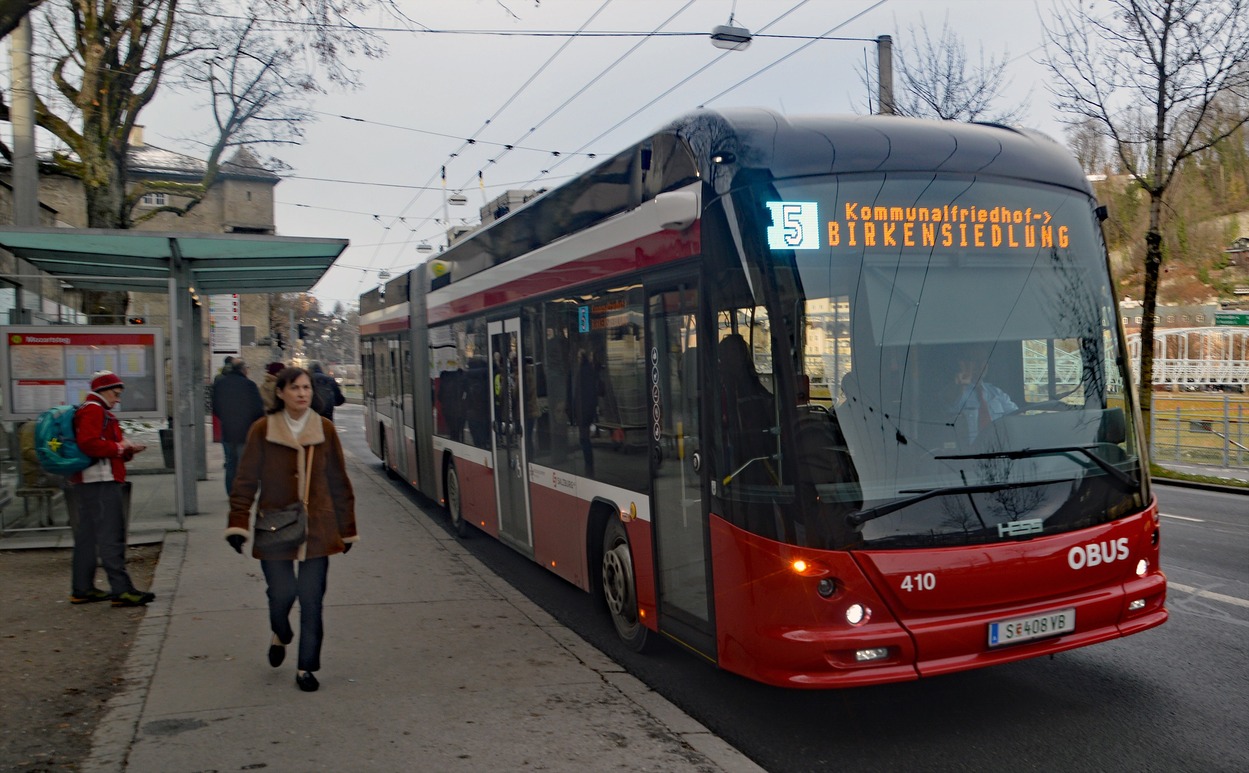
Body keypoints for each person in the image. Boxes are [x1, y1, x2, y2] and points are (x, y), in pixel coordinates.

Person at [224, 367, 358, 693]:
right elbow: (245, 480)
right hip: (275, 525)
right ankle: (281, 632)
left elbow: (339, 481)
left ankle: (305, 668)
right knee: (282, 594)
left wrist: (347, 528)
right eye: (295, 388)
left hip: (318, 528)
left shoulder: (324, 428)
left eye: (306, 388)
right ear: (280, 392)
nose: (302, 393)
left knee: (312, 601)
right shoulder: (262, 430)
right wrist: (238, 523)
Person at [69, 371, 154, 607]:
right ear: (103, 391)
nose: (117, 400)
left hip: (89, 482)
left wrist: (125, 450)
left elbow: (99, 445)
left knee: (87, 537)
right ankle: (121, 590)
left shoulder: (91, 409)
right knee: (111, 536)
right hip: (101, 482)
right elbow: (89, 444)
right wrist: (119, 448)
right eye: (115, 394)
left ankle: (82, 588)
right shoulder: (94, 410)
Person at [945, 343, 1018, 444]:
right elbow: (951, 399)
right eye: (974, 360)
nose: (980, 365)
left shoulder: (996, 393)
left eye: (983, 360)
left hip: (999, 450)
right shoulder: (957, 390)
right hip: (970, 455)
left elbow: (1017, 416)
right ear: (962, 363)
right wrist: (960, 385)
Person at [212, 359, 266, 494]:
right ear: (243, 369)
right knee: (244, 463)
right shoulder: (249, 385)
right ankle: (243, 491)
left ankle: (230, 491)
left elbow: (215, 407)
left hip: (228, 430)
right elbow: (258, 408)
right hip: (245, 431)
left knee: (230, 462)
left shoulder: (221, 384)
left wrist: (226, 418)